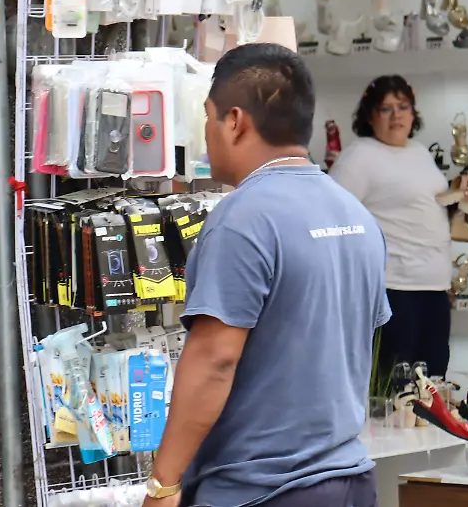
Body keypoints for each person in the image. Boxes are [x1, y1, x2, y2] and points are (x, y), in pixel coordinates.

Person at [143, 44, 389, 507]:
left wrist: (164, 484)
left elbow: (215, 359)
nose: (206, 132)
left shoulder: (242, 218)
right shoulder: (356, 215)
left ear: (235, 121)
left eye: (208, 117)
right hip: (350, 480)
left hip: (262, 489)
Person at [328, 75, 462, 379]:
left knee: (432, 385)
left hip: (434, 288)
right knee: (390, 387)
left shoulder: (419, 151)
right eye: (386, 108)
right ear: (369, 116)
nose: (396, 115)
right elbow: (331, 217)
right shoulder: (359, 156)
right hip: (392, 289)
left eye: (403, 107)